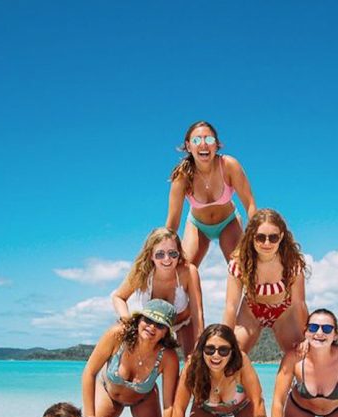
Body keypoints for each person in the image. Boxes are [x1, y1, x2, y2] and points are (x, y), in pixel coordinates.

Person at [82, 300, 180, 417]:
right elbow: (89, 372)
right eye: (148, 320)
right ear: (139, 319)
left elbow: (169, 406)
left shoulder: (168, 357)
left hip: (143, 399)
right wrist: (89, 416)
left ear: (166, 332)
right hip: (108, 393)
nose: (152, 327)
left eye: (160, 325)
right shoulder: (117, 335)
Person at [166, 121, 256, 268]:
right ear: (189, 146)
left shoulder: (229, 165)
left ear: (216, 144)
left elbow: (250, 204)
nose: (203, 144)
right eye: (196, 140)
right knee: (185, 269)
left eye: (209, 139)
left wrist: (254, 238)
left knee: (239, 268)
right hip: (197, 226)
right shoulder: (182, 177)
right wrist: (163, 251)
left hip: (229, 222)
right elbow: (172, 224)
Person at [171, 324, 265, 417]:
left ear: (232, 351)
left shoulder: (241, 362)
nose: (216, 355)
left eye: (223, 350)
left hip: (242, 408)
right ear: (202, 349)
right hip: (206, 410)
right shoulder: (192, 365)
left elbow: (257, 401)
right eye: (209, 349)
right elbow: (179, 408)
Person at [223, 208, 308, 354]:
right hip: (251, 311)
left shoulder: (291, 263)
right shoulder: (239, 263)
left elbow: (299, 303)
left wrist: (308, 336)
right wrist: (224, 340)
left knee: (298, 354)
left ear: (281, 237)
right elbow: (231, 306)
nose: (267, 243)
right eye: (260, 237)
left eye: (273, 237)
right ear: (251, 237)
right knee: (233, 353)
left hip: (284, 312)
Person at [111, 227, 204, 356]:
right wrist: (127, 320)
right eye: (160, 254)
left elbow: (197, 311)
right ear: (151, 256)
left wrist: (200, 343)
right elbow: (118, 297)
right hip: (153, 327)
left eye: (173, 253)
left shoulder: (189, 272)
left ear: (179, 253)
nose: (167, 259)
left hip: (182, 323)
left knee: (193, 359)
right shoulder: (142, 272)